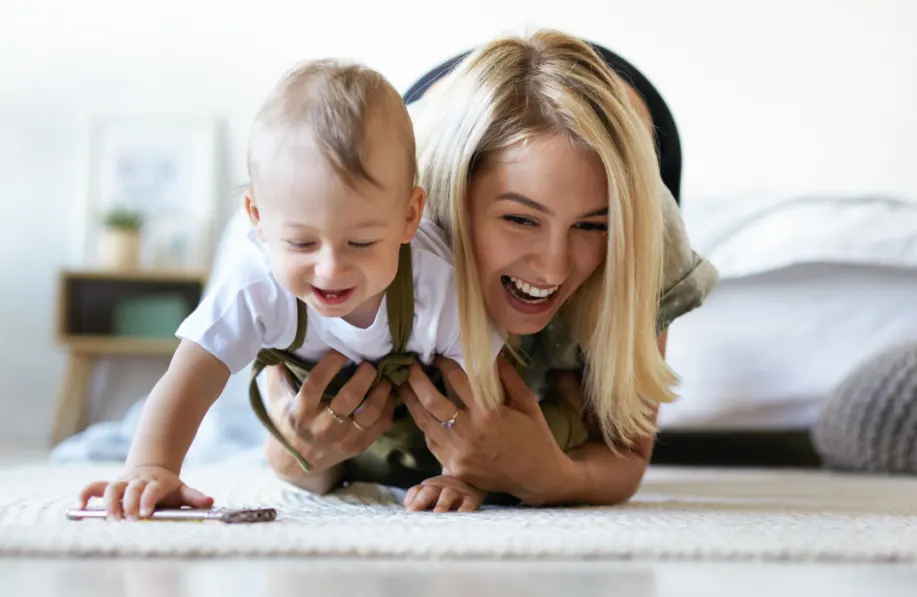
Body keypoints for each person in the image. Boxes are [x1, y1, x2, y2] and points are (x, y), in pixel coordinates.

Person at [260, 30, 719, 511]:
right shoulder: (378, 214)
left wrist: (554, 476)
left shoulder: (645, 223)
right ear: (439, 204)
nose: (553, 266)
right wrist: (297, 457)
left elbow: (623, 455)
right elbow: (289, 443)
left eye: (590, 225)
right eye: (520, 219)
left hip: (625, 108)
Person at [75, 58, 515, 519]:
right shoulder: (256, 280)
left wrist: (464, 475)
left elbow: (484, 391)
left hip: (418, 412)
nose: (330, 268)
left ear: (409, 216)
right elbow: (190, 375)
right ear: (258, 217)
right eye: (302, 242)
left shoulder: (435, 282)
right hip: (310, 408)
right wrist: (151, 466)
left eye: (361, 242)